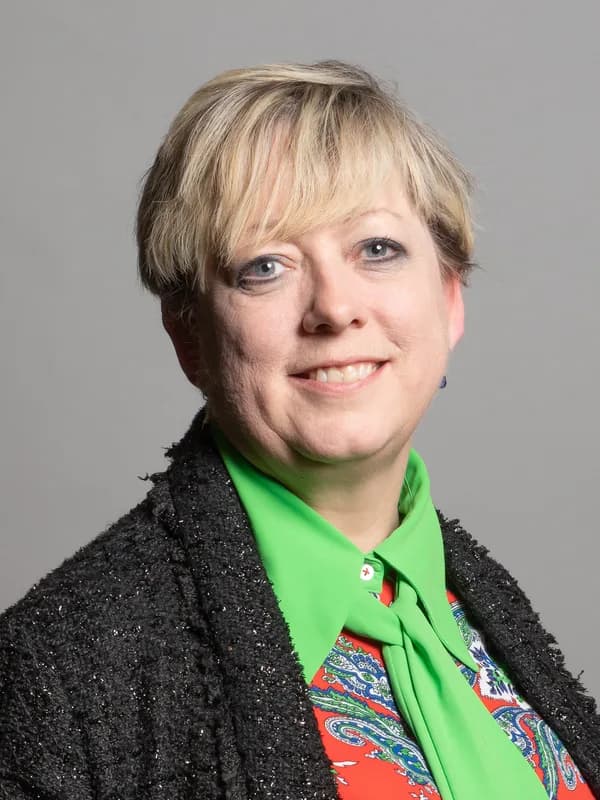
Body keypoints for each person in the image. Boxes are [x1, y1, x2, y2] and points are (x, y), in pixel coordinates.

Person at [1, 60, 598, 800]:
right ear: (189, 336)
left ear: (449, 300)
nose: (335, 309)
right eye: (266, 266)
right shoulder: (59, 670)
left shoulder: (481, 605)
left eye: (376, 249)